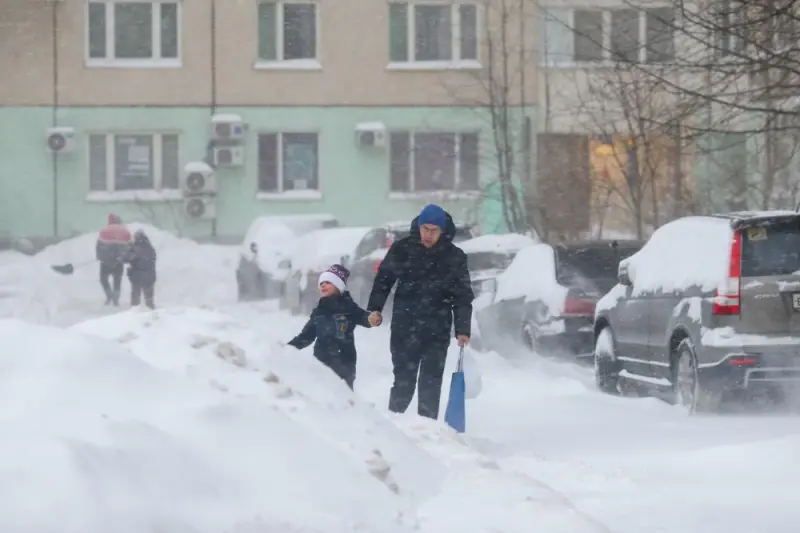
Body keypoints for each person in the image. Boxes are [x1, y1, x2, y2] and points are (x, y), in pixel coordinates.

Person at [367, 204, 474, 420]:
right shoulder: (403, 249)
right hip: (404, 327)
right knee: (403, 382)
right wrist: (375, 308)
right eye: (425, 228)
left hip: (437, 329)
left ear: (443, 231)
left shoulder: (454, 257)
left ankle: (427, 431)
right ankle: (395, 426)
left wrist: (462, 329)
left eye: (434, 230)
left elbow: (462, 296)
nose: (428, 234)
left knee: (431, 384)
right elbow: (383, 280)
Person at [288, 264, 381, 390]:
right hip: (321, 361)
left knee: (344, 393)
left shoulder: (348, 307)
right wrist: (288, 348)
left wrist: (371, 319)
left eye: (328, 282)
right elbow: (306, 336)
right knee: (324, 394)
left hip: (344, 361)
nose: (323, 285)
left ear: (338, 286)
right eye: (321, 283)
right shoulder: (319, 311)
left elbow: (363, 317)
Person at [95, 213, 132, 306]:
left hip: (105, 261)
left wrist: (99, 256)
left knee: (103, 279)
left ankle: (109, 295)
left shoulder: (104, 231)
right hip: (118, 261)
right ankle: (116, 298)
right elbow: (129, 246)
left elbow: (99, 245)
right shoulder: (124, 232)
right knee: (117, 280)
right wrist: (127, 258)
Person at [125, 229, 157, 309]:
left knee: (135, 297)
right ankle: (152, 312)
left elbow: (125, 259)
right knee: (149, 298)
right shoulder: (150, 248)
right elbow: (152, 259)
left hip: (137, 276)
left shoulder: (134, 249)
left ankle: (135, 312)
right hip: (150, 275)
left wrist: (129, 249)